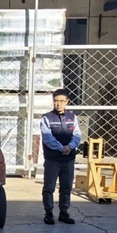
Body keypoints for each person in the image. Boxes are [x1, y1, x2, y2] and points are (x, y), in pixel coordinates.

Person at [40, 88, 82, 225]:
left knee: (66, 187)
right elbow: (47, 137)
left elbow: (77, 135)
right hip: (52, 159)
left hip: (68, 159)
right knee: (49, 187)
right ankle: (49, 213)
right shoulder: (46, 118)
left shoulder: (72, 117)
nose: (59, 104)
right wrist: (61, 148)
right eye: (56, 101)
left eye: (62, 101)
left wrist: (70, 147)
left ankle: (64, 213)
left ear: (67, 102)